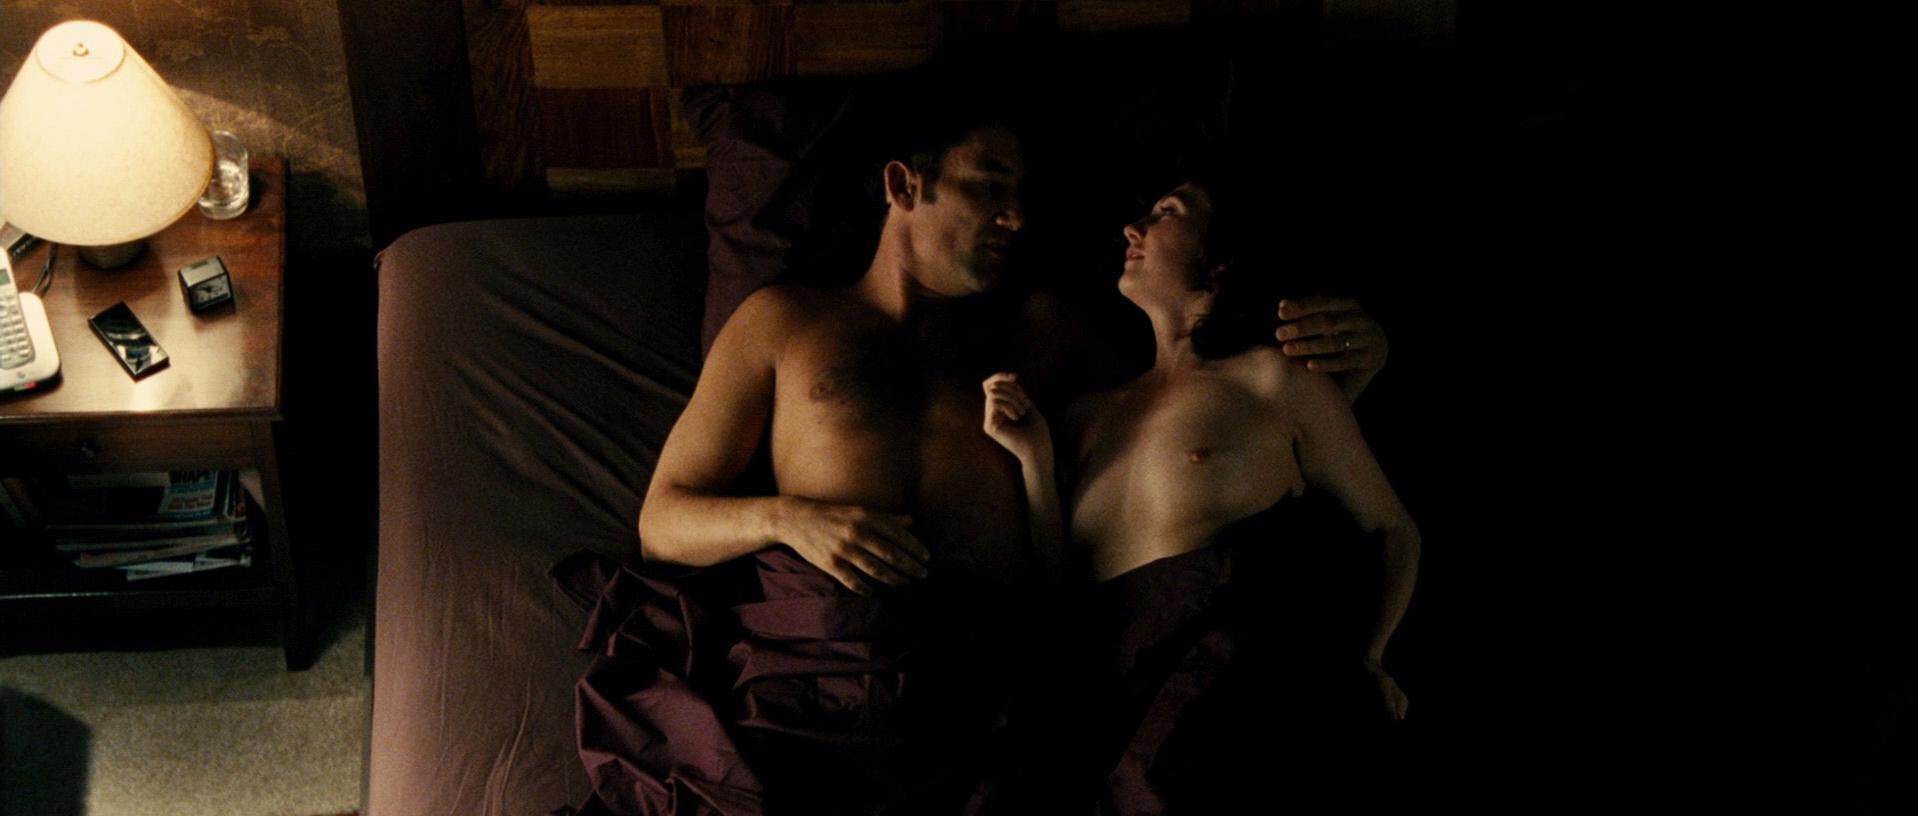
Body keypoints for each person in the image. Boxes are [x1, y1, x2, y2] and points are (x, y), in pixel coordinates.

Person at [569, 92, 1395, 812]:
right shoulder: (785, 322)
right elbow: (663, 522)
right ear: (904, 185)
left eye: (1022, 195)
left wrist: (1360, 364)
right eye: (990, 185)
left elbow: (1201, 402)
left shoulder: (1048, 335)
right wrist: (789, 520)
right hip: (812, 670)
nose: (1017, 217)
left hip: (977, 701)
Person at [981, 172, 1421, 812]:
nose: (1132, 229)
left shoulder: (1271, 382)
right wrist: (1033, 462)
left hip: (1212, 708)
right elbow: (1060, 586)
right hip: (1095, 697)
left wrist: (1371, 655)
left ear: (1219, 258)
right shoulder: (1084, 416)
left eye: (1165, 212)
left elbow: (1393, 529)